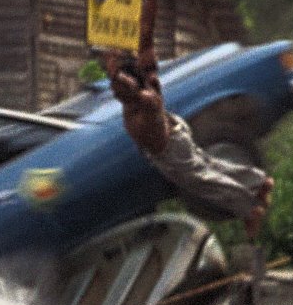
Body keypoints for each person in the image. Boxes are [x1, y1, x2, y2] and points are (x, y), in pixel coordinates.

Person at [107, 59, 274, 239]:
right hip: (174, 138)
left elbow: (129, 86)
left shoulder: (145, 100)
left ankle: (249, 210)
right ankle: (258, 182)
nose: (114, 91)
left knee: (203, 181)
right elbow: (145, 52)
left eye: (117, 86)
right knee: (209, 165)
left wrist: (116, 74)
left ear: (130, 83)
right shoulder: (142, 90)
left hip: (169, 151)